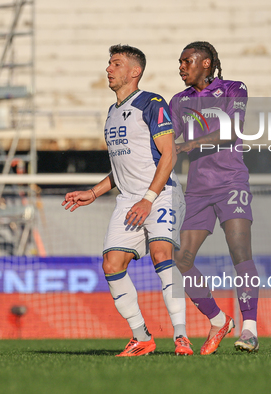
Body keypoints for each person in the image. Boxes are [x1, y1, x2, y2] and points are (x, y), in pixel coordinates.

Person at [63, 44, 191, 357]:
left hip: (160, 195)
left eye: (116, 64)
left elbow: (169, 154)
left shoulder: (151, 102)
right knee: (111, 263)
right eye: (109, 64)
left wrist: (148, 199)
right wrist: (93, 192)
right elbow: (123, 167)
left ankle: (181, 336)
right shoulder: (111, 113)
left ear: (134, 71)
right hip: (129, 199)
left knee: (162, 254)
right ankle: (141, 337)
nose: (108, 69)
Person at [169, 41, 260, 354]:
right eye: (179, 62)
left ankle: (250, 329)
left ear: (205, 63)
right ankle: (219, 318)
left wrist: (189, 145)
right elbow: (167, 140)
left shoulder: (234, 88)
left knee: (239, 251)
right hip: (197, 189)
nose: (181, 67)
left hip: (231, 182)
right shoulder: (179, 100)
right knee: (179, 258)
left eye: (187, 61)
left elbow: (232, 131)